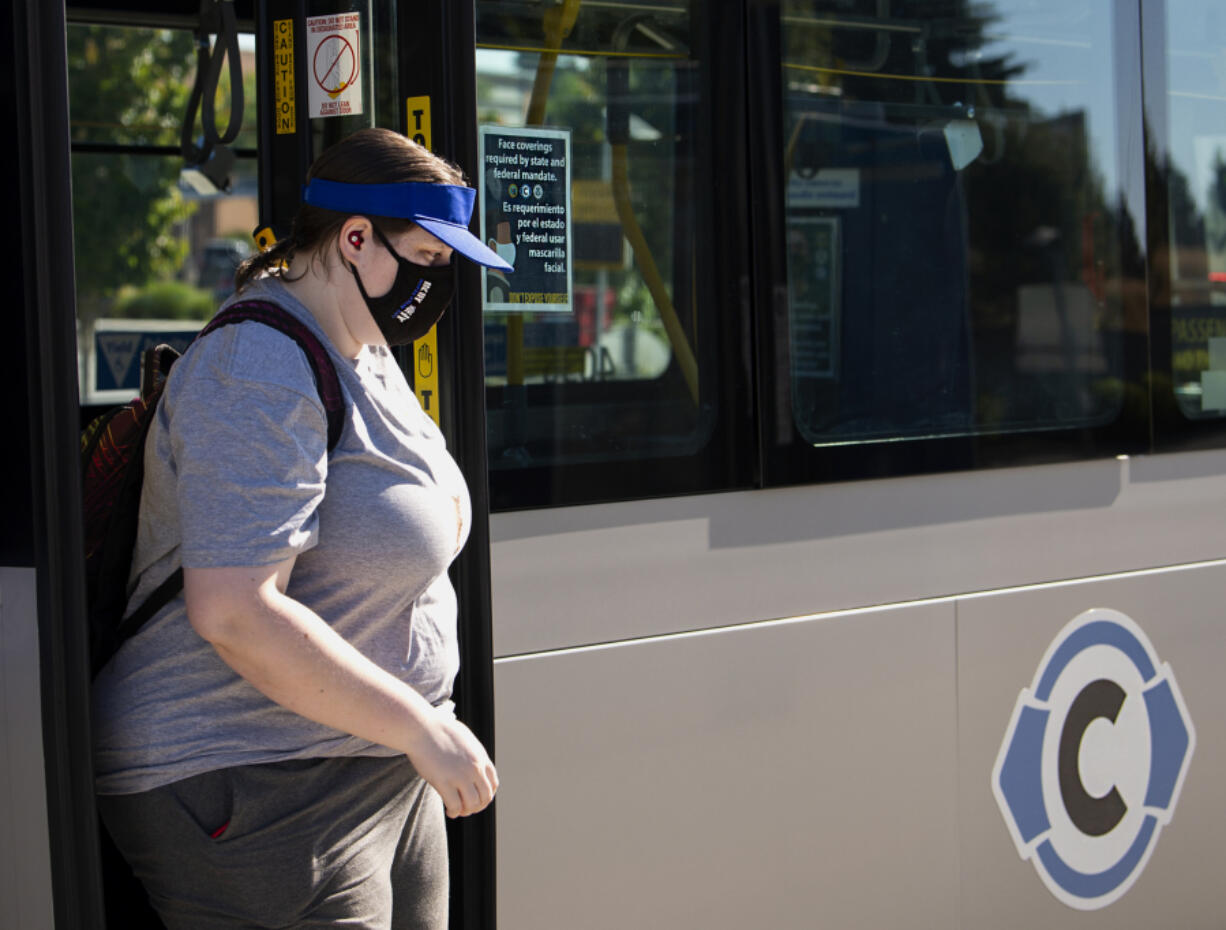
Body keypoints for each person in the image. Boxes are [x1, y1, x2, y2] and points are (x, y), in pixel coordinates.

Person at [92, 127, 511, 930]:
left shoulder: (366, 350)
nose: (438, 283)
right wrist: (419, 726)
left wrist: (415, 731)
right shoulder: (259, 364)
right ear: (356, 238)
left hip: (373, 763)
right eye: (426, 257)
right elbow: (235, 611)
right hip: (256, 780)